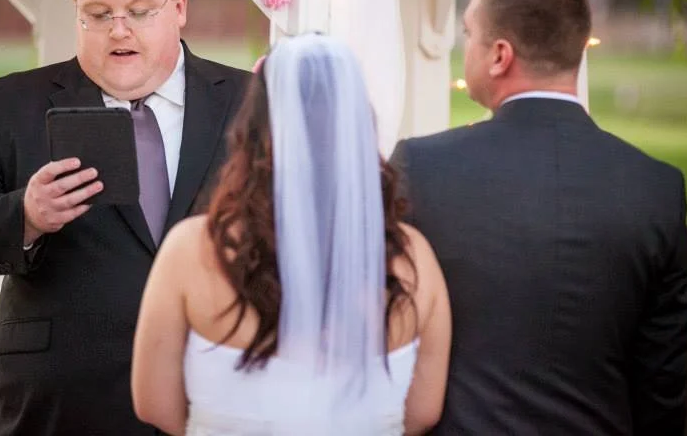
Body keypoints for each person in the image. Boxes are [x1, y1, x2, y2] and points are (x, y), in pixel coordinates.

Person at [0, 0, 250, 435]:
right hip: (61, 410)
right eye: (98, 14)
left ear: (179, 7)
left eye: (139, 11)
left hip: (219, 403)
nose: (118, 30)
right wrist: (24, 213)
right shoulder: (5, 106)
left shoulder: (252, 103)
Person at [390, 0, 687, 434]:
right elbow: (661, 381)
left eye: (468, 32)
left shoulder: (422, 167)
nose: (463, 46)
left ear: (499, 55)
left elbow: (387, 338)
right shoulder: (656, 187)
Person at [131, 33, 452, 435]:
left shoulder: (191, 249)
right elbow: (423, 413)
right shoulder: (412, 258)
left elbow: (154, 405)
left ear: (252, 131)